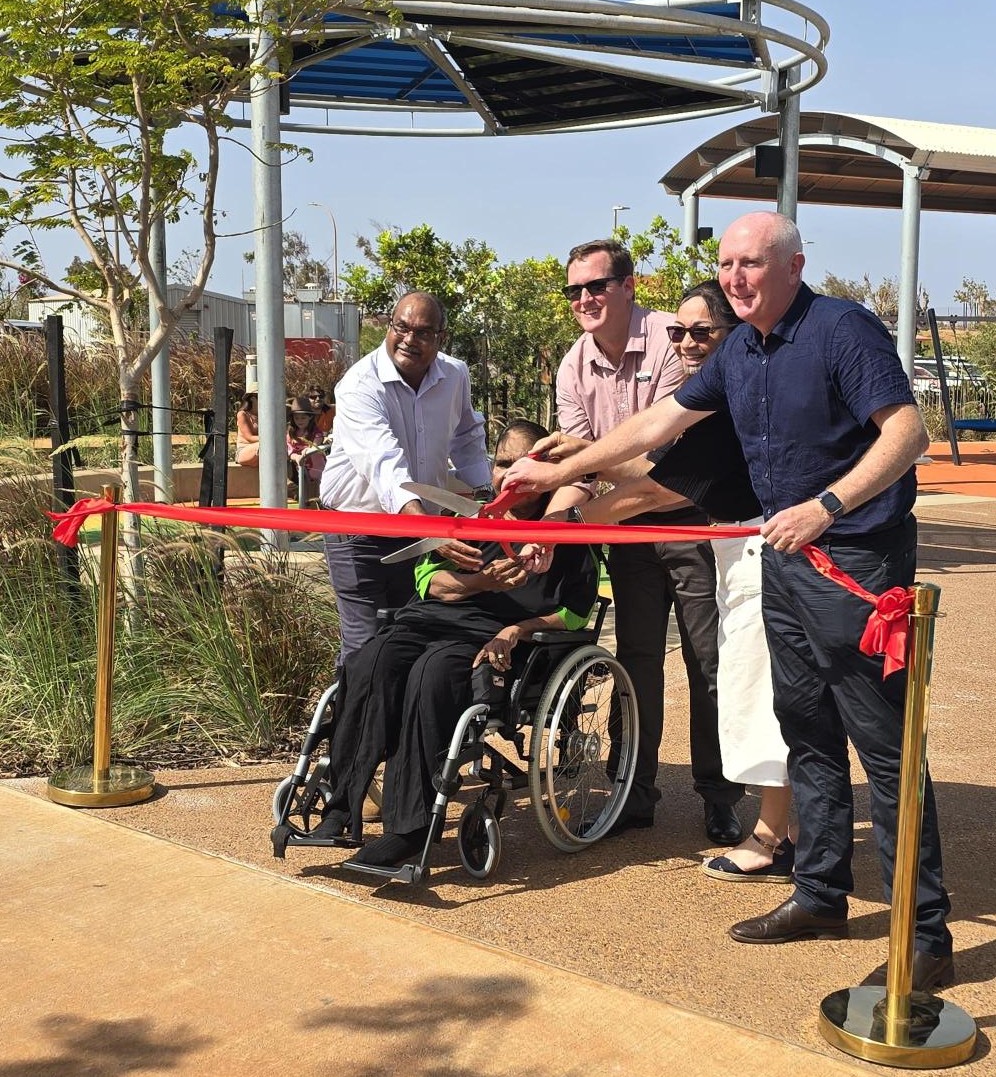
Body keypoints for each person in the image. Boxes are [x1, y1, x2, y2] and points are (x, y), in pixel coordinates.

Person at [506, 212, 953, 990]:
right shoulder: (740, 350)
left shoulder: (842, 330)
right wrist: (556, 472)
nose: (736, 278)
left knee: (885, 749)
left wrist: (829, 505)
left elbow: (907, 433)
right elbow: (658, 423)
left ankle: (927, 934)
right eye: (726, 264)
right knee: (805, 732)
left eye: (752, 263)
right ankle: (820, 893)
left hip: (855, 562)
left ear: (793, 266)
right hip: (784, 564)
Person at [548, 281, 793, 880]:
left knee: (712, 663)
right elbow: (618, 467)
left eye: (596, 286)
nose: (685, 341)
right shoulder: (575, 362)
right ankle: (634, 789)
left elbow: (663, 472)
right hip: (632, 533)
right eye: (574, 289)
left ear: (625, 287)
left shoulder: (681, 357)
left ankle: (721, 796)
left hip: (697, 529)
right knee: (635, 661)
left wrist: (579, 480)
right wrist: (561, 506)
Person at [311, 420, 598, 869]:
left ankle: (408, 828)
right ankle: (340, 809)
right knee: (369, 662)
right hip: (429, 620)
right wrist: (481, 581)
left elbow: (576, 613)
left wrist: (516, 629)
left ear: (549, 471)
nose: (510, 474)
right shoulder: (470, 522)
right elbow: (429, 583)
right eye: (502, 463)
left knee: (431, 675)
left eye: (526, 463)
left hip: (490, 636)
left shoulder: (565, 535)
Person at [319, 291, 492, 668]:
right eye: (401, 327)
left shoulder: (455, 374)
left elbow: (467, 436)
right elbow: (385, 465)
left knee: (406, 639)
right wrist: (431, 531)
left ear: (441, 337)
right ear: (389, 326)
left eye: (423, 332)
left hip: (420, 532)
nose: (409, 339)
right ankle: (349, 707)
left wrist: (486, 495)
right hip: (358, 531)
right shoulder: (359, 385)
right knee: (366, 647)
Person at [286, 395, 327, 483]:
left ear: (310, 417)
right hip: (300, 470)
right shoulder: (291, 433)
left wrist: (309, 450)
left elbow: (316, 443)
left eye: (303, 418)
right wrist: (297, 457)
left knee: (317, 486)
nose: (300, 421)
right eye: (296, 418)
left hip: (317, 469)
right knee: (303, 486)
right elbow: (290, 451)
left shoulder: (315, 431)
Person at [234, 387, 259, 468]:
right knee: (267, 446)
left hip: (259, 452)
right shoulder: (242, 414)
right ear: (253, 399)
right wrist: (270, 440)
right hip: (244, 450)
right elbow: (249, 437)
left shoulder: (264, 416)